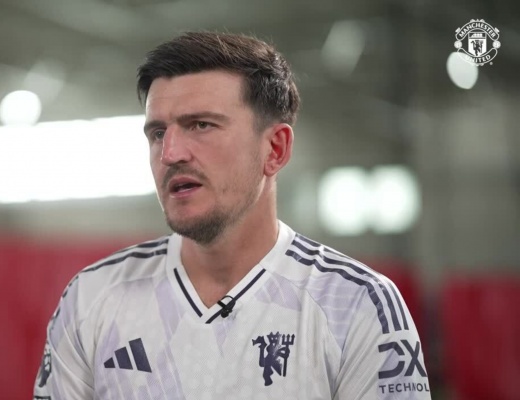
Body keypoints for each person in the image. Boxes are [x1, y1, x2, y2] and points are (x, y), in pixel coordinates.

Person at [34, 32, 431, 399]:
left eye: (201, 125)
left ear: (275, 149)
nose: (170, 153)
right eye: (157, 133)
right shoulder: (93, 298)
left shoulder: (356, 305)